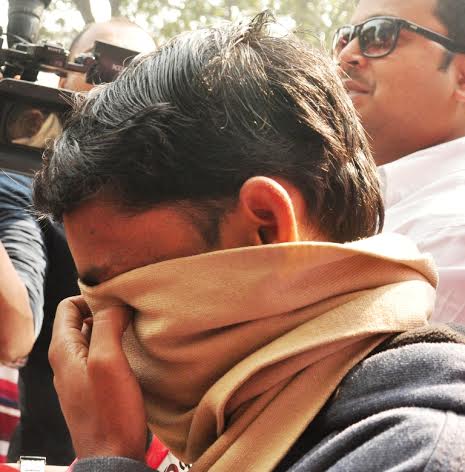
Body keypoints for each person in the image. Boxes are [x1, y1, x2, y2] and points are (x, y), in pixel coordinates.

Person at [33, 12, 465, 471]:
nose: (103, 348)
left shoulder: (413, 454)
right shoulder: (237, 422)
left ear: (267, 229)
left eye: (129, 299)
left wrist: (108, 454)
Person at [6, 18, 156, 465]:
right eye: (96, 71)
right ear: (61, 81)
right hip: (50, 457)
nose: (110, 97)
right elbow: (14, 333)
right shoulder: (24, 186)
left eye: (136, 78)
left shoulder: (185, 198)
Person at [333, 0, 465, 324]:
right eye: (344, 38)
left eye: (380, 34)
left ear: (462, 78)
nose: (346, 55)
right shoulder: (349, 206)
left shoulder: (450, 232)